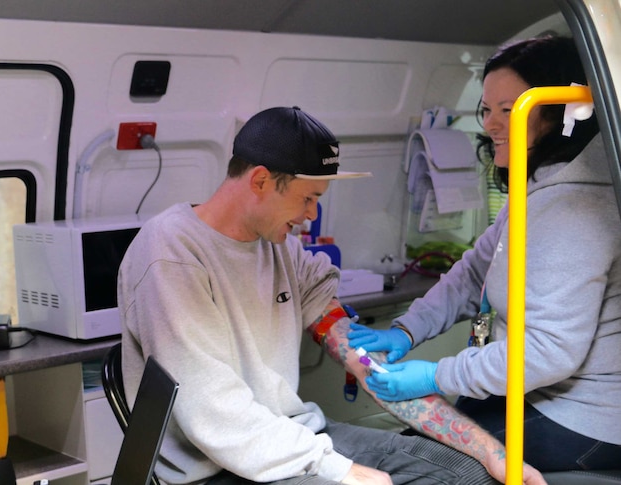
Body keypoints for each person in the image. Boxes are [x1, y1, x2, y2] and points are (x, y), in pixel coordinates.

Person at [118, 106, 544, 485]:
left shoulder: (284, 250)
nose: (311, 215)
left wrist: (491, 453)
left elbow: (365, 367)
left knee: (467, 475)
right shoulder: (172, 256)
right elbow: (213, 415)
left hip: (296, 436)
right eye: (308, 198)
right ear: (261, 180)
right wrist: (338, 470)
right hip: (215, 467)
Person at [348, 35, 621, 472]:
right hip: (532, 393)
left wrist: (436, 374)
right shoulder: (536, 184)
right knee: (411, 444)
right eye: (486, 109)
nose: (491, 124)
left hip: (584, 416)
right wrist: (405, 330)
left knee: (421, 460)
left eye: (509, 110)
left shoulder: (576, 208)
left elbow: (549, 351)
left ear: (561, 112)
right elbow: (477, 270)